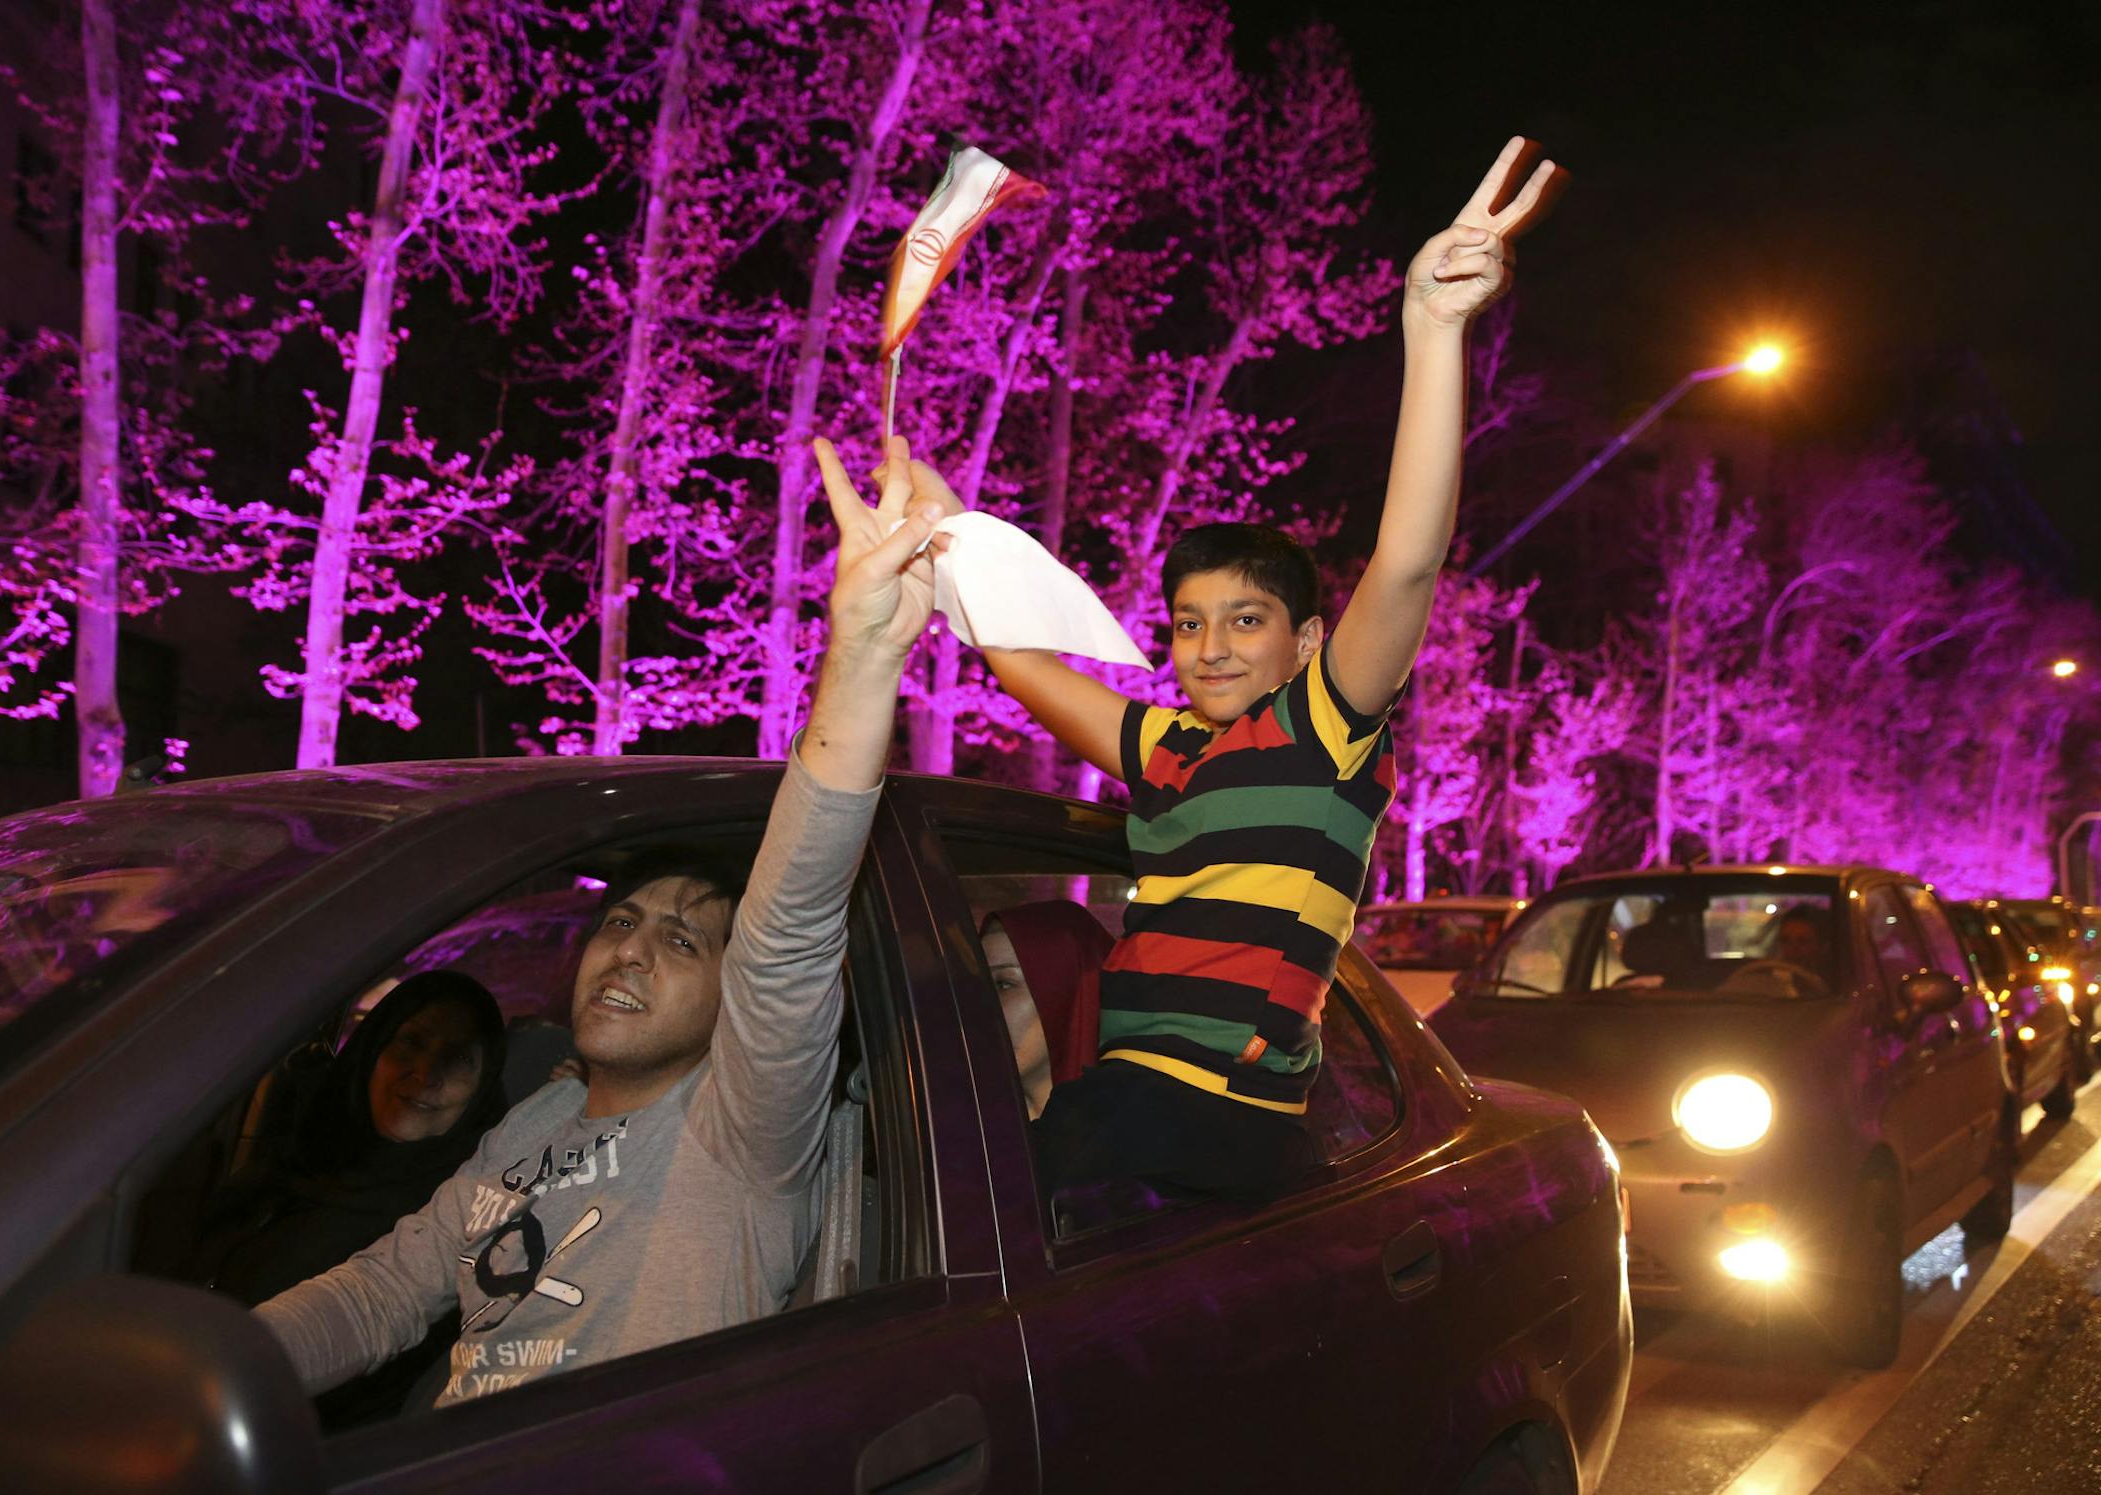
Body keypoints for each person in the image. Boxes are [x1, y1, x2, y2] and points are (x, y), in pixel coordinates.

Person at [912, 139, 1561, 1200]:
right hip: (1123, 1093)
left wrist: (1433, 326)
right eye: (1188, 623)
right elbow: (1017, 659)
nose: (1209, 646)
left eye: (1246, 620)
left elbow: (1407, 564)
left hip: (1208, 1112)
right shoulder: (1168, 745)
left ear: (1306, 642)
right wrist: (945, 541)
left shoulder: (1321, 731)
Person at [255, 433, 949, 1409]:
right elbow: (381, 1293)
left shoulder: (744, 1124)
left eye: (681, 939)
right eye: (621, 921)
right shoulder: (535, 1120)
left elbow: (790, 929)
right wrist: (204, 1365)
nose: (630, 950)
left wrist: (864, 656)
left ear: (732, 997)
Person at [195, 971, 507, 1426]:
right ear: (372, 1048)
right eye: (411, 1042)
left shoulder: (449, 1233)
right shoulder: (303, 1157)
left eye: (458, 1059)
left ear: (481, 1089)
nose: (425, 1075)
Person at [981, 902, 1114, 1118]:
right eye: (976, 984)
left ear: (1069, 996)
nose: (978, 1004)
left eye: (1004, 984)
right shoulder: (954, 1124)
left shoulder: (1132, 1131)